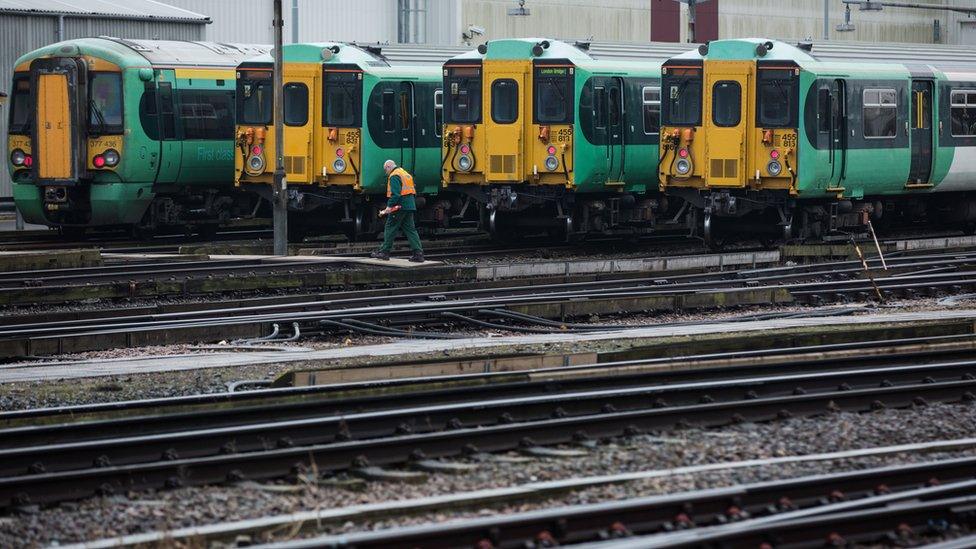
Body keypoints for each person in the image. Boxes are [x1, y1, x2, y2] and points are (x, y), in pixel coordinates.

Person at [370, 160, 424, 262]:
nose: (386, 172)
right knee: (410, 230)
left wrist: (388, 207)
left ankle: (384, 252)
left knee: (390, 227)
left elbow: (396, 194)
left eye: (385, 169)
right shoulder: (405, 173)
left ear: (389, 167)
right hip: (409, 205)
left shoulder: (394, 176)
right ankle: (418, 254)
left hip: (399, 206)